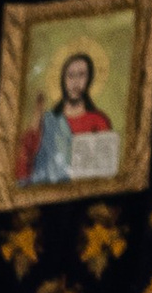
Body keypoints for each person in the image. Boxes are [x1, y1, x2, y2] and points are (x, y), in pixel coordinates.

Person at [17, 47, 118, 188]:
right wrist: (36, 117)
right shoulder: (47, 120)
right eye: (70, 75)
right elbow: (24, 159)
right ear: (63, 80)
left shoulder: (99, 121)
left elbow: (105, 170)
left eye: (82, 75)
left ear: (89, 79)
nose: (76, 82)